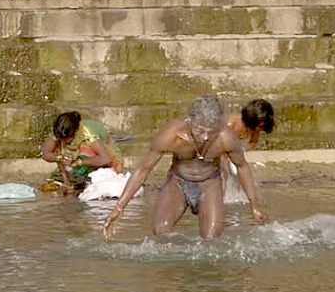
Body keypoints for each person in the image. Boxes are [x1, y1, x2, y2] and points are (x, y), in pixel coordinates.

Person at [102, 96, 268, 240]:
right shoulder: (171, 134)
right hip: (178, 182)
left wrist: (254, 205)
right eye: (199, 130)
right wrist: (119, 207)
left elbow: (242, 167)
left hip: (209, 184)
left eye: (210, 132)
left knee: (212, 241)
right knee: (161, 232)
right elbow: (143, 169)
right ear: (190, 121)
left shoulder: (226, 138)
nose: (204, 136)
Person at [40, 112, 124, 192]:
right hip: (77, 154)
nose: (63, 141)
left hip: (102, 154)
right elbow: (45, 153)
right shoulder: (60, 131)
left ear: (75, 132)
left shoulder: (87, 133)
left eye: (67, 140)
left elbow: (106, 158)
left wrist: (78, 162)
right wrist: (60, 158)